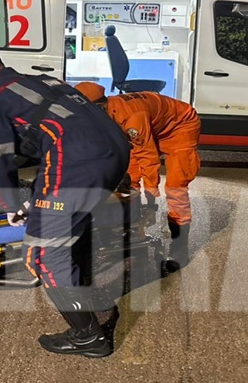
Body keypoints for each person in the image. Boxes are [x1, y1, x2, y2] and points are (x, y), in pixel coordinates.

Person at [0, 44, 130, 358]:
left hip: (76, 162)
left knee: (43, 254)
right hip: (115, 153)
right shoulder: (47, 82)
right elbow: (44, 135)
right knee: (74, 229)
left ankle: (87, 337)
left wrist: (11, 205)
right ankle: (93, 303)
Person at [74, 82, 200, 271]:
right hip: (154, 124)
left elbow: (148, 160)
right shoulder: (109, 110)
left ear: (98, 107)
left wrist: (151, 202)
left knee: (175, 188)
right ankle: (132, 227)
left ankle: (179, 251)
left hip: (181, 125)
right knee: (130, 176)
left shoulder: (132, 119)